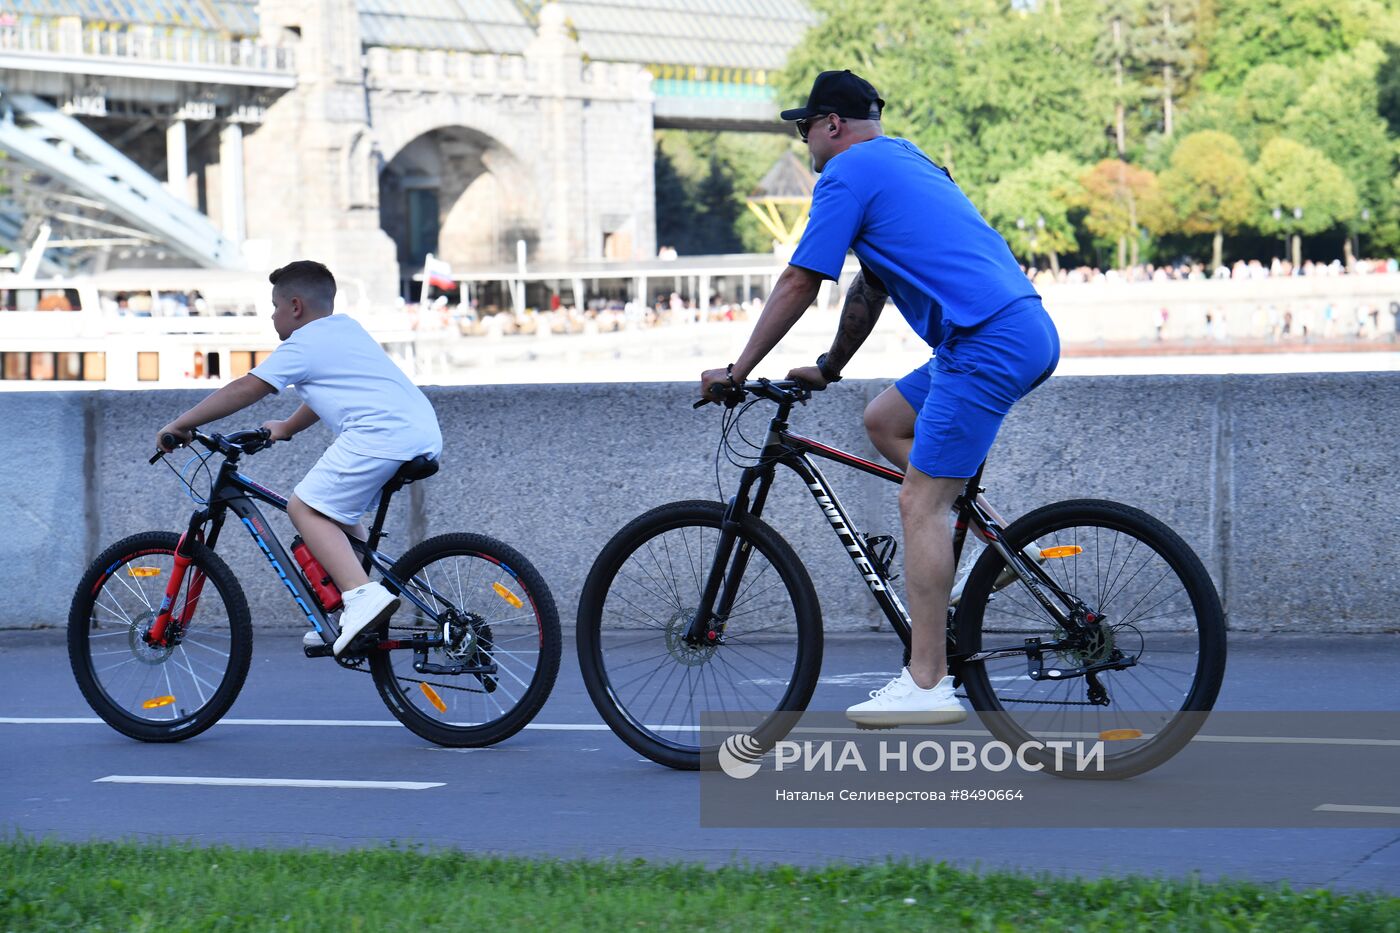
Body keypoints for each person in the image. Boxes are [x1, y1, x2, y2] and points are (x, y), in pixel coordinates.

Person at [698, 70, 1059, 728]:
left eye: (804, 126)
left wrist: (737, 368)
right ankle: (993, 547)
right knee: (885, 420)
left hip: (984, 341)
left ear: (832, 124)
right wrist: (829, 367)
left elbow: (800, 281)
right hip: (1016, 328)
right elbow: (873, 284)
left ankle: (926, 682)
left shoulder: (847, 173)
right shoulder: (907, 160)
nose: (804, 140)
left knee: (920, 499)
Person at [155, 260, 443, 657]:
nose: (272, 315)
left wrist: (181, 423)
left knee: (304, 507)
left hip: (380, 434)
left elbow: (245, 388)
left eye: (274, 306)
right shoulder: (344, 331)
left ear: (294, 306)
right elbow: (331, 385)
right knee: (338, 517)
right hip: (418, 431)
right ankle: (352, 614)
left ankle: (361, 597)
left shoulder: (302, 344)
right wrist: (287, 426)